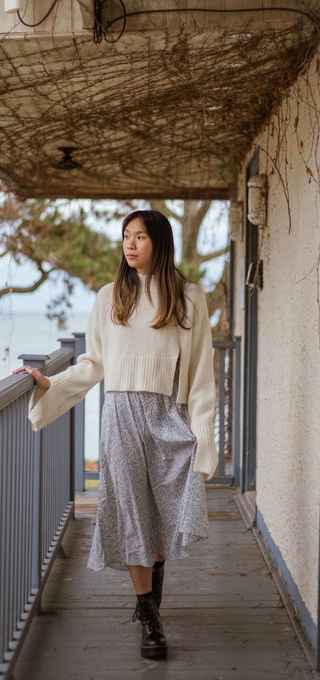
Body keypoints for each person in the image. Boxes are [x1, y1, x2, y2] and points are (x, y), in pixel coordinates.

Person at [12, 209, 218, 660]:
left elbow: (202, 373)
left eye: (140, 236)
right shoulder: (109, 297)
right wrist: (52, 384)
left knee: (162, 517)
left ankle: (151, 598)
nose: (130, 244)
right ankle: (148, 615)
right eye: (125, 236)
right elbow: (93, 365)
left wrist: (203, 435)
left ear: (159, 243)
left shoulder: (188, 297)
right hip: (121, 416)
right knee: (131, 514)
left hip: (170, 414)